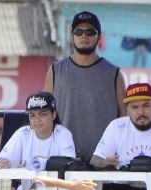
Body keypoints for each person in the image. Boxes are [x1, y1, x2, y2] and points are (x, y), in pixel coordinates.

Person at [0, 91, 95, 190]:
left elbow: (69, 164)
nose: (37, 120)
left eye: (43, 114)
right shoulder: (22, 133)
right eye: (32, 115)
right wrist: (0, 163)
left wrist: (39, 163)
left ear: (53, 115)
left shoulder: (63, 134)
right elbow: (2, 162)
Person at [43, 11, 126, 162]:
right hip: (64, 157)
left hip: (104, 159)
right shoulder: (56, 71)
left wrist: (114, 148)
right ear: (72, 35)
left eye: (90, 32)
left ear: (99, 36)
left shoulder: (114, 74)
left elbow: (124, 116)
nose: (84, 36)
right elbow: (45, 113)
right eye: (79, 31)